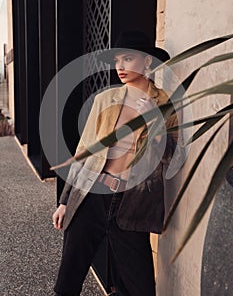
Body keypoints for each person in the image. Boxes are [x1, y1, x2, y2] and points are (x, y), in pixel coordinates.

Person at [52, 31, 180, 296]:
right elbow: (84, 152)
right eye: (117, 60)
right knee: (68, 279)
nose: (120, 67)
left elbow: (172, 156)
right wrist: (65, 201)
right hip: (91, 196)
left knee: (139, 286)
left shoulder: (166, 105)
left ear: (146, 62)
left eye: (128, 59)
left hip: (132, 203)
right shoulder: (104, 100)